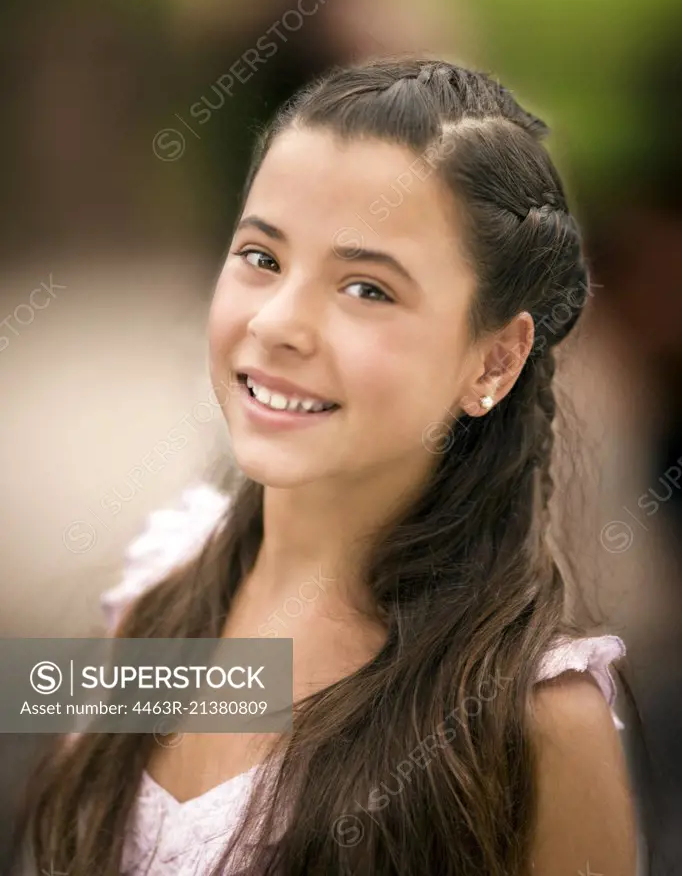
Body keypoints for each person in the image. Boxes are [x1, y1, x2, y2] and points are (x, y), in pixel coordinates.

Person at [12, 57, 640, 875]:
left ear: (494, 360)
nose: (277, 324)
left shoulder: (532, 718)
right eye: (262, 258)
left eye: (367, 289)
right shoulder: (154, 605)